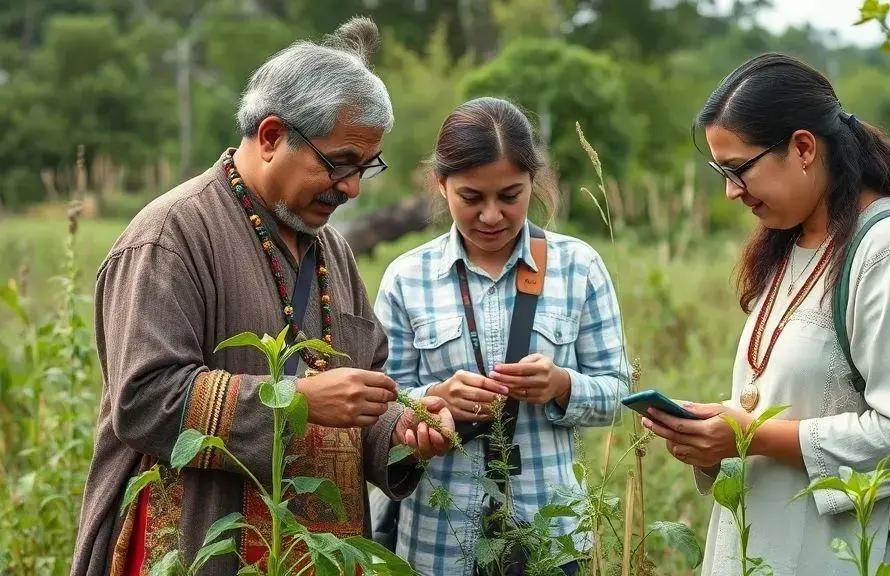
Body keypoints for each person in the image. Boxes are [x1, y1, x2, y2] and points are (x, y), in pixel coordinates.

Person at [71, 17, 455, 576]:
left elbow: (357, 395)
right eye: (339, 163)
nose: (350, 187)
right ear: (272, 136)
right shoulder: (170, 237)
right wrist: (295, 402)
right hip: (199, 548)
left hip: (317, 552)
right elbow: (143, 398)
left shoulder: (334, 254)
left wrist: (401, 429)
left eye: (364, 168)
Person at [643, 53, 890, 575]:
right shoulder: (791, 243)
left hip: (845, 555)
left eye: (739, 169)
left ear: (802, 147)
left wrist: (752, 435)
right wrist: (713, 441)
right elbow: (779, 401)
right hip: (764, 549)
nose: (731, 191)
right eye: (720, 171)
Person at [373, 97, 629, 576]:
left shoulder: (579, 267)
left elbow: (620, 392)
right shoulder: (407, 277)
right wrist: (432, 400)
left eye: (510, 196)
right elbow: (381, 404)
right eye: (471, 198)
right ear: (440, 184)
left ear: (535, 182)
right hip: (438, 537)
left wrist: (561, 386)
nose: (491, 215)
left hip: (550, 538)